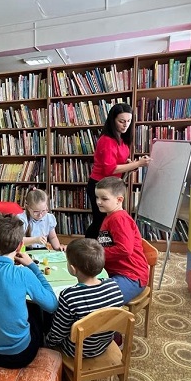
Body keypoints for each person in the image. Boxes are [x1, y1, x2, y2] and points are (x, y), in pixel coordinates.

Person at [0, 213, 58, 369]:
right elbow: (52, 305)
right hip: (20, 355)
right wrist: (33, 267)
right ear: (20, 246)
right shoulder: (23, 273)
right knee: (35, 310)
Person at [45, 238, 124, 358]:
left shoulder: (69, 296)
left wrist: (47, 342)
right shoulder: (114, 286)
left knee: (45, 318)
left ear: (73, 269)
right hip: (103, 345)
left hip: (76, 351)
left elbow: (57, 334)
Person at [85, 103, 151, 239]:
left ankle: (99, 248)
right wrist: (137, 163)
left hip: (112, 185)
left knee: (108, 220)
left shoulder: (122, 138)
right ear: (113, 120)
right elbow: (110, 169)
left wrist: (130, 164)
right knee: (101, 221)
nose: (126, 125)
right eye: (121, 121)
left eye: (129, 121)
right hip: (100, 186)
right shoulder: (107, 140)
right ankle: (89, 248)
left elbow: (117, 161)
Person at [95, 176, 149, 303]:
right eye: (97, 197)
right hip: (115, 273)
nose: (98, 202)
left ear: (119, 200)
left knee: (97, 300)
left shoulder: (119, 219)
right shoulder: (110, 216)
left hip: (131, 277)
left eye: (104, 199)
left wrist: (96, 254)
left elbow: (124, 249)